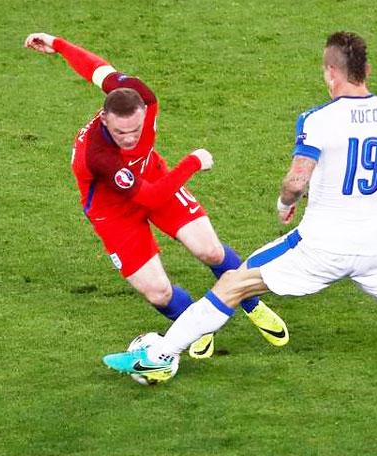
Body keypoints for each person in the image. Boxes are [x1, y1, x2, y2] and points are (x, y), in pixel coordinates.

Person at [103, 31, 377, 419]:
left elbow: (297, 178)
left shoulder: (318, 120)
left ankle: (160, 355)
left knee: (231, 285)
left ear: (330, 72)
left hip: (320, 247)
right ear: (367, 71)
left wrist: (286, 202)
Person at [23, 33, 289, 358]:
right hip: (115, 213)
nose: (131, 138)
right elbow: (147, 198)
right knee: (158, 292)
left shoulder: (141, 95)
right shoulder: (98, 155)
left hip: (152, 177)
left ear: (141, 108)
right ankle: (193, 322)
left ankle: (252, 304)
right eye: (121, 133)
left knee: (210, 251)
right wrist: (192, 163)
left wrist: (59, 44)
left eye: (136, 129)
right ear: (104, 119)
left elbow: (98, 70)